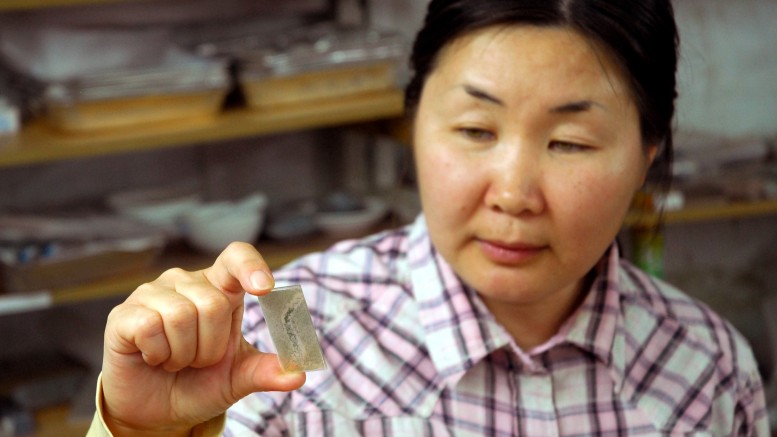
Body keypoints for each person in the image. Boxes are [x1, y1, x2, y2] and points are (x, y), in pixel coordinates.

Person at [89, 0, 771, 435]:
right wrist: (133, 431)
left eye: (568, 143)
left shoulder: (704, 363)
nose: (512, 193)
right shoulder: (293, 323)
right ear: (415, 124)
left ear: (647, 153)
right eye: (475, 130)